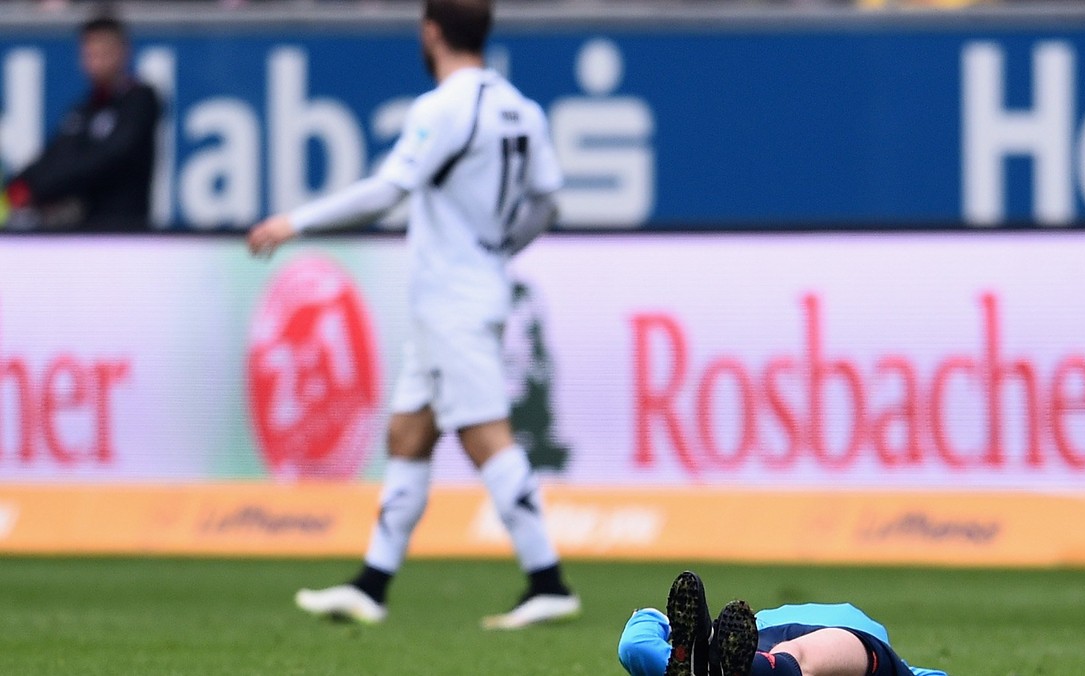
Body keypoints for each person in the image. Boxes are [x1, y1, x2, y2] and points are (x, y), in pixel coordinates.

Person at [246, 0, 579, 630]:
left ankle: (548, 579)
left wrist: (296, 221)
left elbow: (387, 190)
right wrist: (500, 247)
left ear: (431, 32)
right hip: (464, 291)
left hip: (452, 298)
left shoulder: (443, 106)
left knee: (484, 433)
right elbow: (548, 202)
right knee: (408, 433)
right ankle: (372, 584)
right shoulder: (521, 108)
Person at [618, 571, 949, 676]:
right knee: (799, 656)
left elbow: (636, 638)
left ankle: (728, 660)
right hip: (773, 646)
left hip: (757, 641)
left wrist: (652, 618)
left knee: (640, 649)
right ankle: (753, 666)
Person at [3, 15, 160, 231]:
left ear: (123, 52)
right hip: (84, 230)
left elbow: (105, 158)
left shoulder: (140, 101)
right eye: (90, 54)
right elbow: (54, 156)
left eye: (103, 53)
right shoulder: (83, 110)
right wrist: (16, 188)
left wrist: (39, 189)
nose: (96, 62)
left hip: (125, 231)